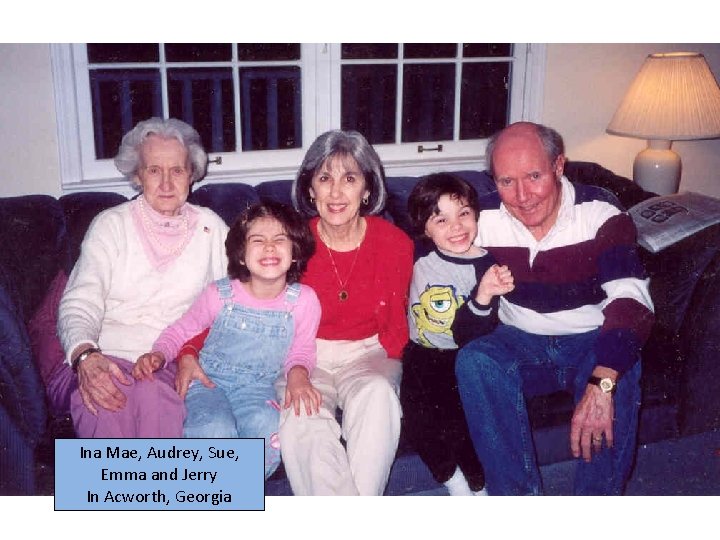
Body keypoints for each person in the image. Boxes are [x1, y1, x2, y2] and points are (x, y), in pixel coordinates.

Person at [455, 121, 655, 495]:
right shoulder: (480, 217)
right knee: (476, 360)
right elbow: (426, 250)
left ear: (558, 166)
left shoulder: (599, 213)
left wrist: (603, 380)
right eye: (506, 181)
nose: (522, 196)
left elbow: (631, 297)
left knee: (620, 371)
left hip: (590, 339)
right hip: (519, 341)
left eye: (534, 176)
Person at [55, 117, 229, 438]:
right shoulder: (111, 225)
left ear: (191, 174)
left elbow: (237, 300)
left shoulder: (212, 229)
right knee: (106, 405)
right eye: (153, 170)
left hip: (168, 362)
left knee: (157, 404)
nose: (166, 183)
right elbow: (81, 300)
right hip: (105, 357)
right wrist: (85, 355)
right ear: (137, 175)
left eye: (176, 170)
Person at [134, 201, 321, 479]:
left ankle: (235, 493)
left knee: (267, 425)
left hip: (257, 387)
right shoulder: (219, 294)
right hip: (207, 381)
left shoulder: (304, 301)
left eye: (280, 240)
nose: (269, 247)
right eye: (258, 240)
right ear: (241, 256)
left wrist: (298, 374)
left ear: (295, 253)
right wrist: (159, 354)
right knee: (213, 429)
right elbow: (181, 330)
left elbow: (302, 350)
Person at [283, 129, 413, 495]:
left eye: (350, 178)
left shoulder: (394, 243)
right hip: (306, 354)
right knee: (300, 416)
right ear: (310, 189)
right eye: (325, 178)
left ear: (367, 189)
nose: (336, 192)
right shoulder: (291, 243)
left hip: (369, 350)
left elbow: (405, 315)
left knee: (378, 395)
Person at [401, 173, 514, 496]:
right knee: (417, 422)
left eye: (464, 213)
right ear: (425, 228)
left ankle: (478, 486)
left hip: (460, 358)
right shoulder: (419, 254)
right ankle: (452, 481)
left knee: (459, 427)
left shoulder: (487, 266)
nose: (456, 227)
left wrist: (485, 294)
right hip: (419, 354)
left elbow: (470, 333)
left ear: (476, 215)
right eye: (441, 219)